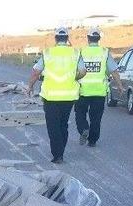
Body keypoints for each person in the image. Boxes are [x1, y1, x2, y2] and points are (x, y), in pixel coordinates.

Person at [27, 27, 86, 164]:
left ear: (55, 38)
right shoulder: (75, 52)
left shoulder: (48, 53)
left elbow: (36, 71)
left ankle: (57, 154)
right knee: (63, 124)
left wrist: (30, 86)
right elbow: (83, 71)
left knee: (53, 126)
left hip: (51, 97)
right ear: (67, 39)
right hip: (69, 96)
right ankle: (61, 151)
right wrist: (73, 78)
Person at [75, 28, 124, 147]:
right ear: (99, 39)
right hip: (99, 92)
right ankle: (92, 140)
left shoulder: (81, 52)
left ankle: (83, 129)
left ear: (88, 38)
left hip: (82, 91)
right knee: (96, 118)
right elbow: (114, 71)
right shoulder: (104, 52)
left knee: (80, 113)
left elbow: (75, 70)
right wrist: (120, 86)